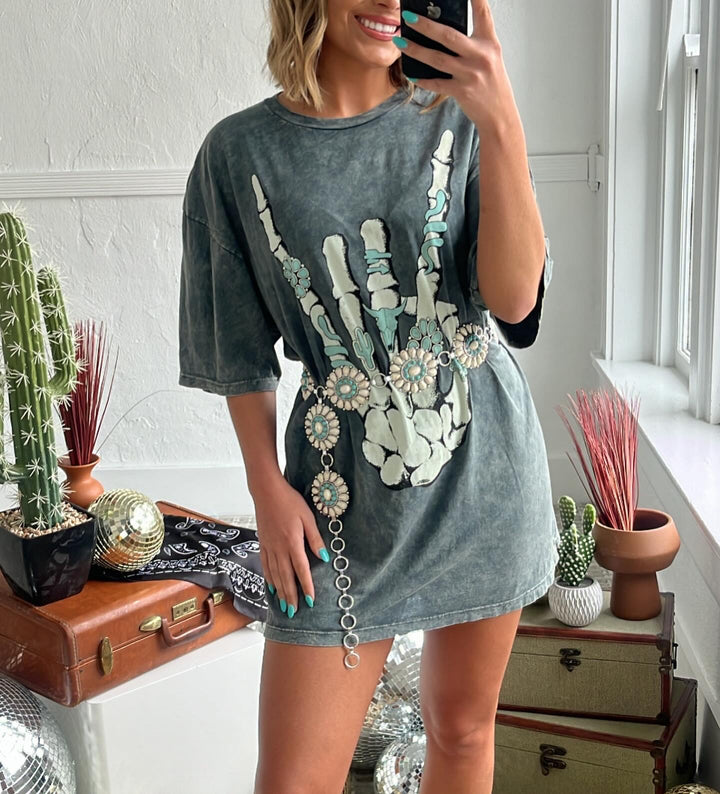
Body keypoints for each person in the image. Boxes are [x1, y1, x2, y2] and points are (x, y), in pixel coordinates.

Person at [177, 0, 558, 791]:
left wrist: (502, 120)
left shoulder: (460, 117)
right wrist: (265, 487)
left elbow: (514, 301)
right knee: (292, 781)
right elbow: (236, 349)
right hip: (338, 500)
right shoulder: (239, 154)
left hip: (485, 480)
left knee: (462, 732)